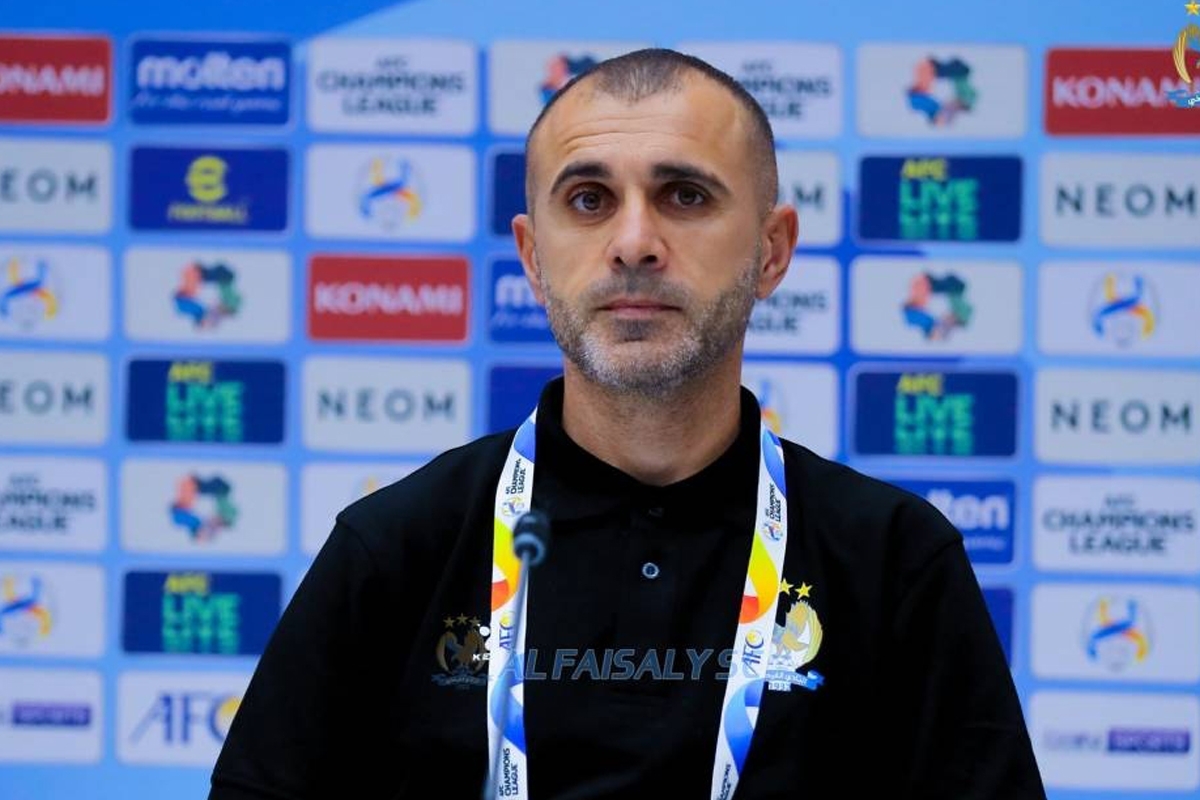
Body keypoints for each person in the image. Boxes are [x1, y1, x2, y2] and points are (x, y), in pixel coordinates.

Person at [209, 48, 1045, 799]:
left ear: (772, 251)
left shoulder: (894, 559)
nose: (634, 242)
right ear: (533, 257)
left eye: (685, 195)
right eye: (589, 199)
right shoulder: (399, 548)